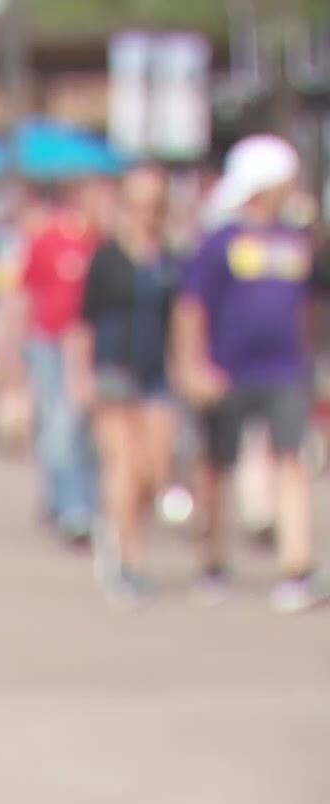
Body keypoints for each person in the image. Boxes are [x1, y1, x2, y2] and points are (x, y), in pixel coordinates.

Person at [175, 135, 326, 613]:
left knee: (291, 461)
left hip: (284, 369)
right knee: (217, 467)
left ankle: (296, 566)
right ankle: (212, 561)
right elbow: (191, 308)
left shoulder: (297, 241)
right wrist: (192, 365)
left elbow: (308, 305)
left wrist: (310, 359)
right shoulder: (219, 242)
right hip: (227, 369)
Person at [69, 168, 179, 606]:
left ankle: (129, 542)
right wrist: (81, 376)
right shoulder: (107, 258)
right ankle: (125, 560)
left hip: (155, 374)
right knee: (124, 465)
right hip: (112, 370)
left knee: (154, 469)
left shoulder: (169, 259)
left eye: (154, 206)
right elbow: (85, 321)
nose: (145, 215)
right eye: (137, 205)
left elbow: (180, 321)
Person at [18, 180, 100, 545]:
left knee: (83, 426)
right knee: (59, 422)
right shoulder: (46, 240)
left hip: (89, 344)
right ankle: (70, 506)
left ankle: (82, 501)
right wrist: (13, 348)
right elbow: (26, 293)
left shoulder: (100, 242)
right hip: (50, 343)